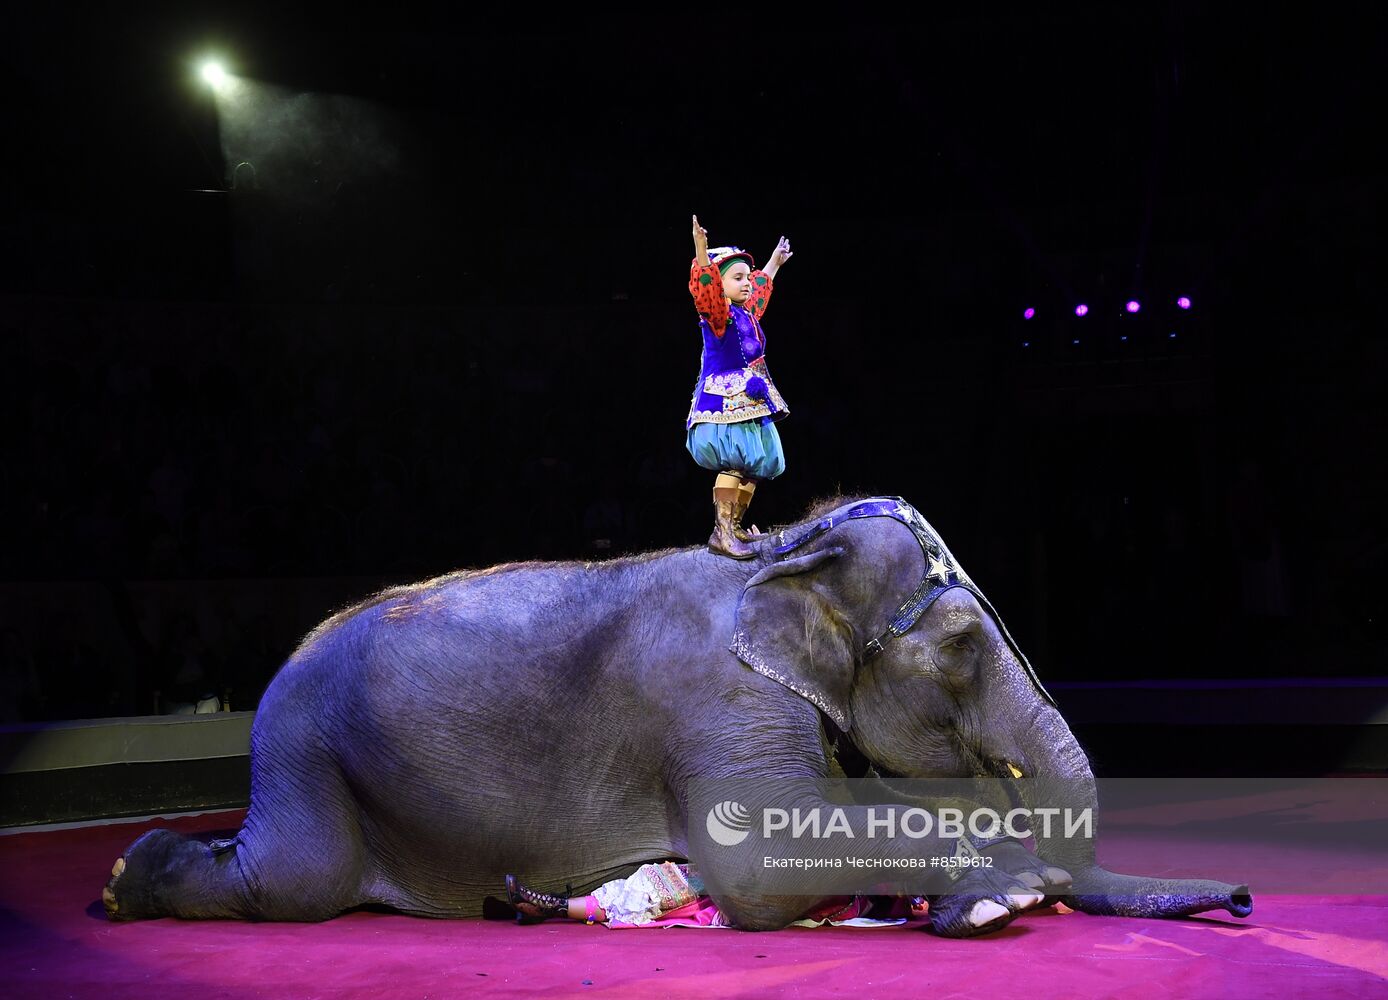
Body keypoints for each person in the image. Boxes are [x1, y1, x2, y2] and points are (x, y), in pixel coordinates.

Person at [686, 215, 794, 559]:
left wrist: (774, 263)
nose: (747, 283)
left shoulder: (745, 313)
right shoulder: (718, 315)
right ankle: (722, 531)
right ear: (721, 284)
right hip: (724, 399)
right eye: (738, 278)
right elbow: (706, 288)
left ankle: (735, 528)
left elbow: (760, 291)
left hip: (750, 400)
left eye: (747, 277)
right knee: (734, 462)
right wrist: (702, 251)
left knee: (754, 467)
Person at [504, 864, 906, 929]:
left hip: (729, 898)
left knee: (654, 898)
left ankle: (550, 905)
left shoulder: (852, 897)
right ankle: (549, 904)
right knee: (662, 880)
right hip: (730, 880)